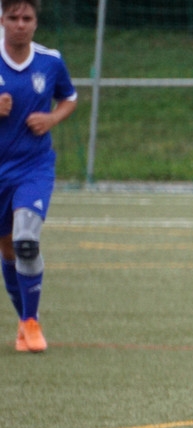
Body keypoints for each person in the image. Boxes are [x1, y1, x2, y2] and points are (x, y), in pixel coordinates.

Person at [0, 0, 77, 352]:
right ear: (2, 20)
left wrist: (52, 119)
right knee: (7, 247)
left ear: (35, 22)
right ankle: (23, 320)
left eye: (27, 18)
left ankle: (31, 323)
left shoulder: (51, 61)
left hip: (34, 166)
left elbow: (69, 98)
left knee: (26, 241)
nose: (20, 24)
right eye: (13, 17)